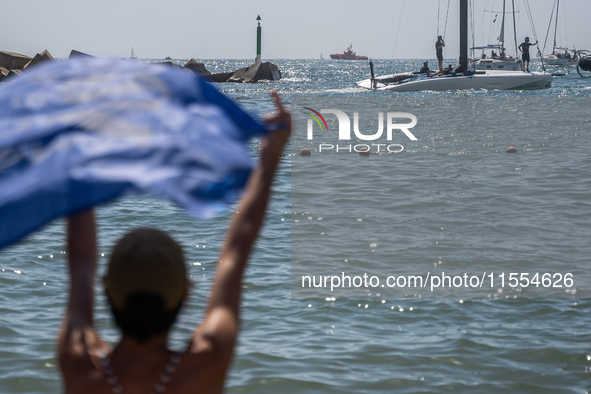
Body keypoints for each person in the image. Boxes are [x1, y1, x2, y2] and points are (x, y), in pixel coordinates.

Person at [58, 91, 291, 394]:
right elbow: (235, 253)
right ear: (186, 293)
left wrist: (76, 158)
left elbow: (81, 265)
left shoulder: (80, 365)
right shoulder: (206, 363)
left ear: (107, 290)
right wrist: (270, 155)